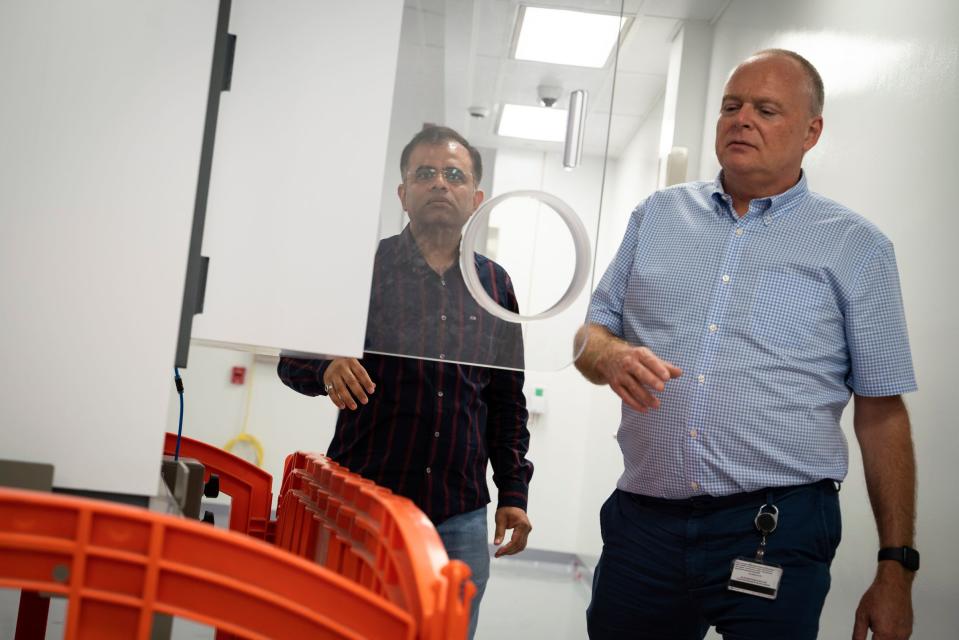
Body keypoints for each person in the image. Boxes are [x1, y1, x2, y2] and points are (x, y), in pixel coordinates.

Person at [575, 49, 917, 640]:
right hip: (644, 524)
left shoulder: (857, 249)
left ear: (811, 132)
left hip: (775, 529)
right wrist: (604, 354)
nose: (742, 120)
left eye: (765, 109)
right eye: (731, 106)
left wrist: (897, 567)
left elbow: (883, 411)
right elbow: (591, 333)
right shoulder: (656, 217)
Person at [278, 125, 533, 639]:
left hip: (459, 512)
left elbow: (506, 401)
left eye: (454, 175)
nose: (441, 183)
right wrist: (326, 366)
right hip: (365, 503)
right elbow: (291, 359)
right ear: (403, 192)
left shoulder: (496, 285)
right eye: (426, 173)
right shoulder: (364, 269)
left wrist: (514, 492)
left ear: (476, 197)